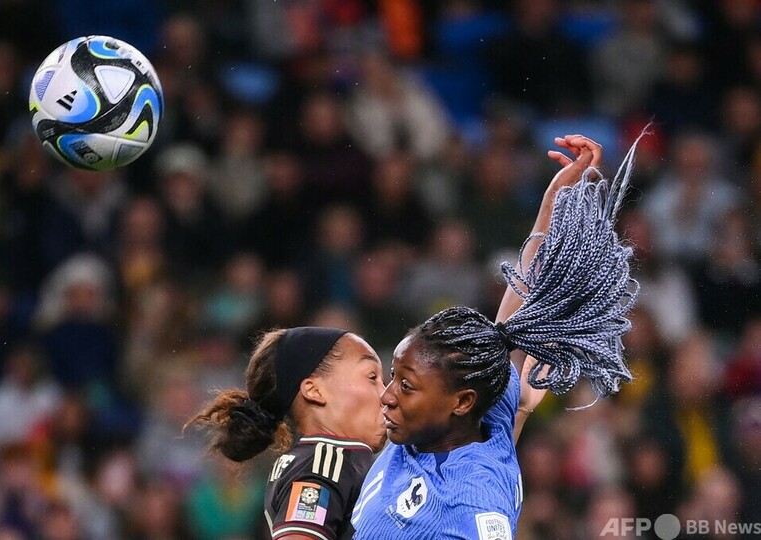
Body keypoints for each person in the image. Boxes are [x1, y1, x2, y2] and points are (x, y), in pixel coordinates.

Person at [351, 133, 641, 539]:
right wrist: (553, 203)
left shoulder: (473, 502)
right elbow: (510, 322)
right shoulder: (480, 413)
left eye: (406, 385)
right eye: (395, 375)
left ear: (461, 402)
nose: (387, 394)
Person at [186, 327, 386, 539]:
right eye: (372, 377)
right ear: (314, 390)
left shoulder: (332, 461)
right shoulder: (324, 464)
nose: (387, 393)